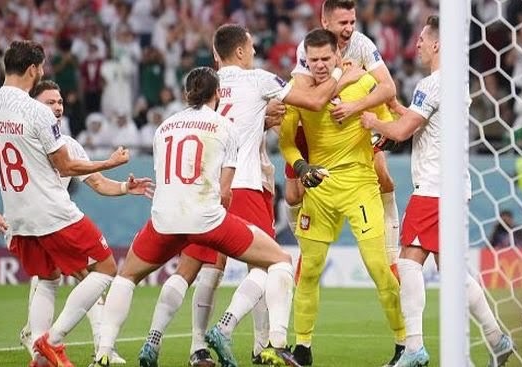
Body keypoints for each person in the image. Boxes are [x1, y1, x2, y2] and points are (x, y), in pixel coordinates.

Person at [135, 23, 364, 367]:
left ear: (216, 55)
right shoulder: (257, 79)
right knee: (270, 262)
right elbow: (314, 101)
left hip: (200, 190)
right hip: (242, 184)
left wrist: (265, 119)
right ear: (240, 51)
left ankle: (181, 345)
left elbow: (237, 120)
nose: (255, 52)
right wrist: (341, 76)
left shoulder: (206, 86)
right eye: (252, 47)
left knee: (196, 268)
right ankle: (249, 337)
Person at [92, 67, 300, 367]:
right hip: (206, 218)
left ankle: (104, 352)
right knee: (279, 260)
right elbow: (226, 191)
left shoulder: (163, 127)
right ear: (217, 93)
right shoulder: (224, 126)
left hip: (164, 220)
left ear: (186, 94)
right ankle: (276, 343)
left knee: (127, 277)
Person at [360, 15, 514, 367]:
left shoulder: (432, 84)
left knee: (407, 263)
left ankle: (414, 348)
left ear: (437, 44)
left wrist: (372, 120)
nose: (416, 45)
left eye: (422, 40)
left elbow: (401, 133)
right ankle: (497, 337)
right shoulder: (453, 81)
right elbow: (421, 122)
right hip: (454, 186)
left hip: (433, 187)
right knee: (454, 271)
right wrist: (398, 111)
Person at [0, 79, 153, 365]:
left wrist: (124, 188)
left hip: (25, 223)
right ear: (34, 105)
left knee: (49, 279)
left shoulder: (66, 143)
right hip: (51, 218)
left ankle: (41, 352)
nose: (56, 107)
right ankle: (66, 343)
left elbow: (96, 183)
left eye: (59, 102)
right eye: (49, 102)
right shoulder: (23, 132)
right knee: (99, 270)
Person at [279, 29, 405, 367]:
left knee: (379, 267)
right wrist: (301, 165)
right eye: (313, 60)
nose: (319, 65)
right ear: (306, 59)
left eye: (325, 59)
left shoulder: (363, 83)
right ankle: (302, 348)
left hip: (360, 185)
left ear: (338, 56)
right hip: (320, 188)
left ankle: (404, 344)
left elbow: (390, 123)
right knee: (309, 271)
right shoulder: (298, 94)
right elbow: (287, 142)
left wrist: (378, 134)